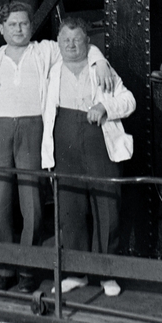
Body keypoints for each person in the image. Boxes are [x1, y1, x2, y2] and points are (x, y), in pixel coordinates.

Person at [41, 15, 135, 298]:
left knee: (107, 208)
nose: (71, 45)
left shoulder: (101, 69)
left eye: (77, 40)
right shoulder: (50, 67)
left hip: (97, 143)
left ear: (88, 42)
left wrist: (105, 106)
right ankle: (76, 274)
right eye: (65, 40)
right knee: (70, 211)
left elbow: (129, 100)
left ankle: (107, 274)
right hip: (64, 143)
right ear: (58, 42)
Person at [0, 1, 54, 292]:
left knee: (33, 204)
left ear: (32, 26)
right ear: (2, 29)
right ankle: (6, 270)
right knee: (0, 203)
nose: (19, 29)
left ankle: (28, 272)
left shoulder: (45, 51)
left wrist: (99, 62)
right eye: (13, 25)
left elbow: (81, 46)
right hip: (0, 132)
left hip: (33, 129)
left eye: (24, 23)